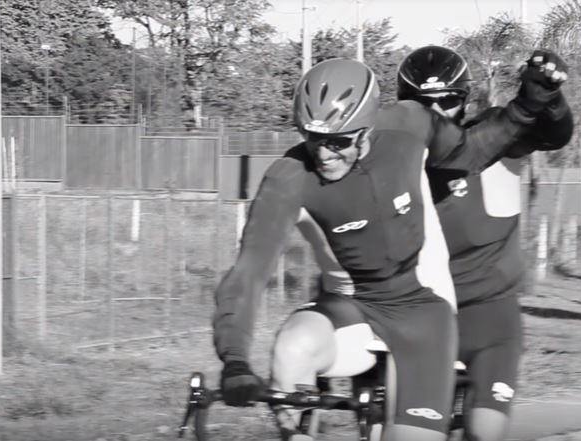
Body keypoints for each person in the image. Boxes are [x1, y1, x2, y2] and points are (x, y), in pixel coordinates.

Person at [212, 56, 562, 441]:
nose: (324, 154)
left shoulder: (410, 124)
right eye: (312, 138)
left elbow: (472, 150)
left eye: (338, 141)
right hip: (356, 303)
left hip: (422, 310)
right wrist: (236, 360)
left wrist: (527, 106)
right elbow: (249, 272)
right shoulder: (289, 177)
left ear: (367, 129)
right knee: (292, 346)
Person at [396, 46, 574, 441]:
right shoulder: (388, 155)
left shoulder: (495, 134)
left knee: (484, 431)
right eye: (422, 104)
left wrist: (547, 98)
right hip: (416, 315)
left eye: (449, 101)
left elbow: (553, 133)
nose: (437, 112)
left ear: (465, 101)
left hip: (489, 315)